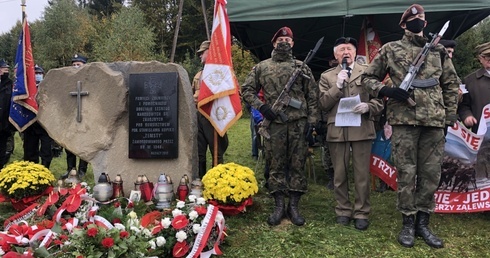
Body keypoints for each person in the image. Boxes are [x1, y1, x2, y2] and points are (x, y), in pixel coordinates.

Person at [362, 4, 459, 248]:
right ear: (404, 25)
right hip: (404, 120)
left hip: (434, 122)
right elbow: (366, 79)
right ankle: (407, 221)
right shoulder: (390, 49)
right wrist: (386, 90)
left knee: (431, 174)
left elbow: (450, 84)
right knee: (406, 172)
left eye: (421, 19)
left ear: (425, 24)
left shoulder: (437, 51)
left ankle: (423, 223)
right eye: (412, 19)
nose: (418, 22)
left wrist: (448, 118)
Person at [241, 26, 319, 226]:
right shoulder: (262, 67)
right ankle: (278, 205)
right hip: (274, 124)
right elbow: (247, 90)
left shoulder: (302, 67)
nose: (284, 42)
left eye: (288, 39)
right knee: (275, 164)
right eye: (280, 39)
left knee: (297, 164)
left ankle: (293, 205)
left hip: (298, 125)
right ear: (274, 43)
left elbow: (312, 96)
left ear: (292, 44)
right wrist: (262, 107)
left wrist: (311, 122)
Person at [318, 37, 383, 230]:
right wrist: (337, 86)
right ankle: (343, 210)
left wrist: (368, 106)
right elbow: (322, 103)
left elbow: (380, 100)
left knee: (362, 174)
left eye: (349, 49)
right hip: (338, 130)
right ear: (335, 55)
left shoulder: (368, 72)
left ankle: (362, 212)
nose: (346, 52)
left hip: (361, 128)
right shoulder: (327, 76)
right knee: (340, 173)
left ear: (355, 53)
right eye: (341, 50)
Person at [192, 41, 229, 178]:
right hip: (199, 116)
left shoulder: (223, 73)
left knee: (216, 152)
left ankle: (217, 182)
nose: (200, 55)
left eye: (203, 52)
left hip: (214, 115)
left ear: (211, 52)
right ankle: (199, 181)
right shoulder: (198, 75)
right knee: (199, 152)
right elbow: (192, 96)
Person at [458, 42, 490, 179]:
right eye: (487, 57)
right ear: (480, 59)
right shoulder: (470, 80)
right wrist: (467, 116)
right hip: (482, 135)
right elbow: (464, 105)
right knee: (483, 168)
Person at [61, 54, 89, 178]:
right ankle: (70, 169)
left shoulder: (90, 79)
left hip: (86, 116)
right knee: (69, 144)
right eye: (73, 65)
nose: (75, 67)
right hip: (70, 117)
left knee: (84, 143)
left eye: (79, 64)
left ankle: (82, 170)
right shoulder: (67, 80)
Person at [23, 64, 54, 168]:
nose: (38, 75)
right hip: (30, 123)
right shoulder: (27, 88)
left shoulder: (48, 87)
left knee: (46, 150)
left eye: (40, 73)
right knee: (30, 149)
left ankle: (45, 169)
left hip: (45, 124)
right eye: (36, 73)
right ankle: (31, 169)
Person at [0, 59, 13, 168]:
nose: (6, 71)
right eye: (4, 69)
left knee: (2, 150)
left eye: (7, 69)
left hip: (3, 124)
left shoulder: (9, 84)